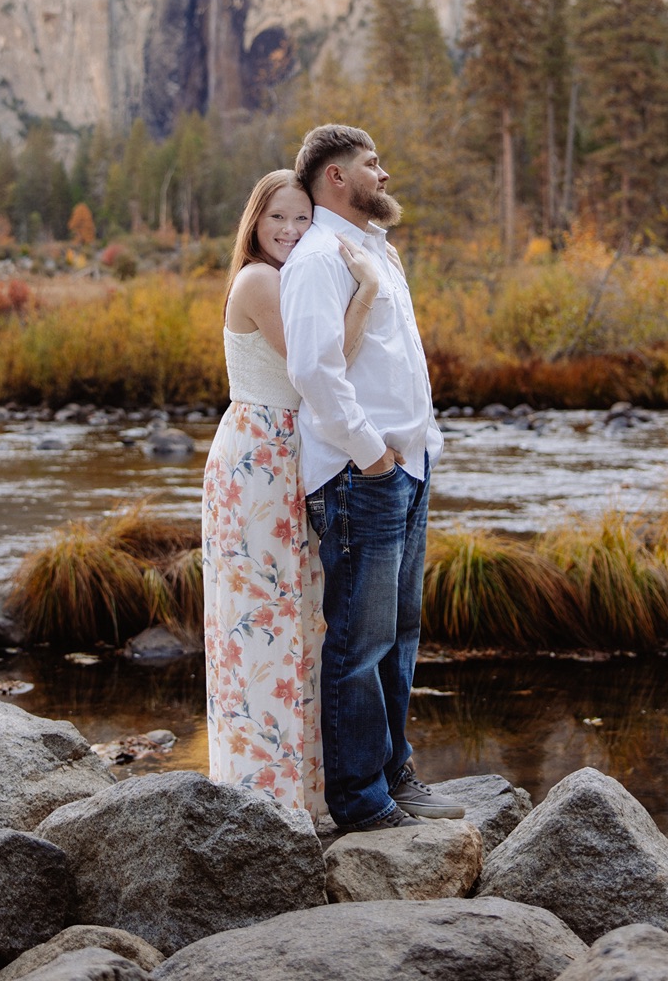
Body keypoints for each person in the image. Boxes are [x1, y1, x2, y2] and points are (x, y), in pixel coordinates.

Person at [280, 124, 465, 831]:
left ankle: (393, 775)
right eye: (371, 163)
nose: (383, 175)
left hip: (407, 469)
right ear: (336, 176)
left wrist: (422, 449)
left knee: (402, 632)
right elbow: (314, 371)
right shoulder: (317, 259)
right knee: (360, 644)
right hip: (362, 478)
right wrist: (372, 457)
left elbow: (397, 359)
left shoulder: (376, 251)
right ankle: (360, 802)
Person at [201, 168, 379, 818]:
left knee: (302, 614)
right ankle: (262, 797)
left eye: (303, 217)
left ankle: (303, 792)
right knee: (262, 621)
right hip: (258, 456)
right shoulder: (259, 281)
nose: (291, 229)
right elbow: (322, 366)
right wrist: (366, 293)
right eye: (277, 216)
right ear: (255, 221)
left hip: (289, 453)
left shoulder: (291, 279)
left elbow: (329, 366)